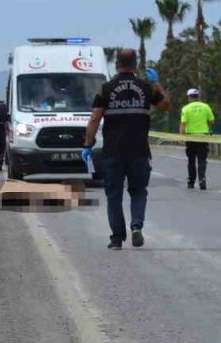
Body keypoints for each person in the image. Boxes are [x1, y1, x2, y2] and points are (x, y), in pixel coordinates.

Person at [83, 49, 171, 250]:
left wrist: (87, 145)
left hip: (113, 153)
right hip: (139, 151)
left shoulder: (105, 89)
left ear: (117, 64)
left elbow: (95, 118)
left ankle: (116, 239)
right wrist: (157, 82)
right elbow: (166, 106)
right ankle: (136, 226)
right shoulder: (145, 87)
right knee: (138, 191)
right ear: (136, 63)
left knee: (114, 196)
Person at [179, 88, 216, 190]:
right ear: (198, 97)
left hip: (190, 137)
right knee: (202, 160)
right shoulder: (206, 107)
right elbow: (212, 121)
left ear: (189, 97)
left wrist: (180, 137)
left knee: (191, 160)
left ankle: (191, 181)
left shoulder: (186, 108)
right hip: (203, 137)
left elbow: (183, 124)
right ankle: (202, 179)